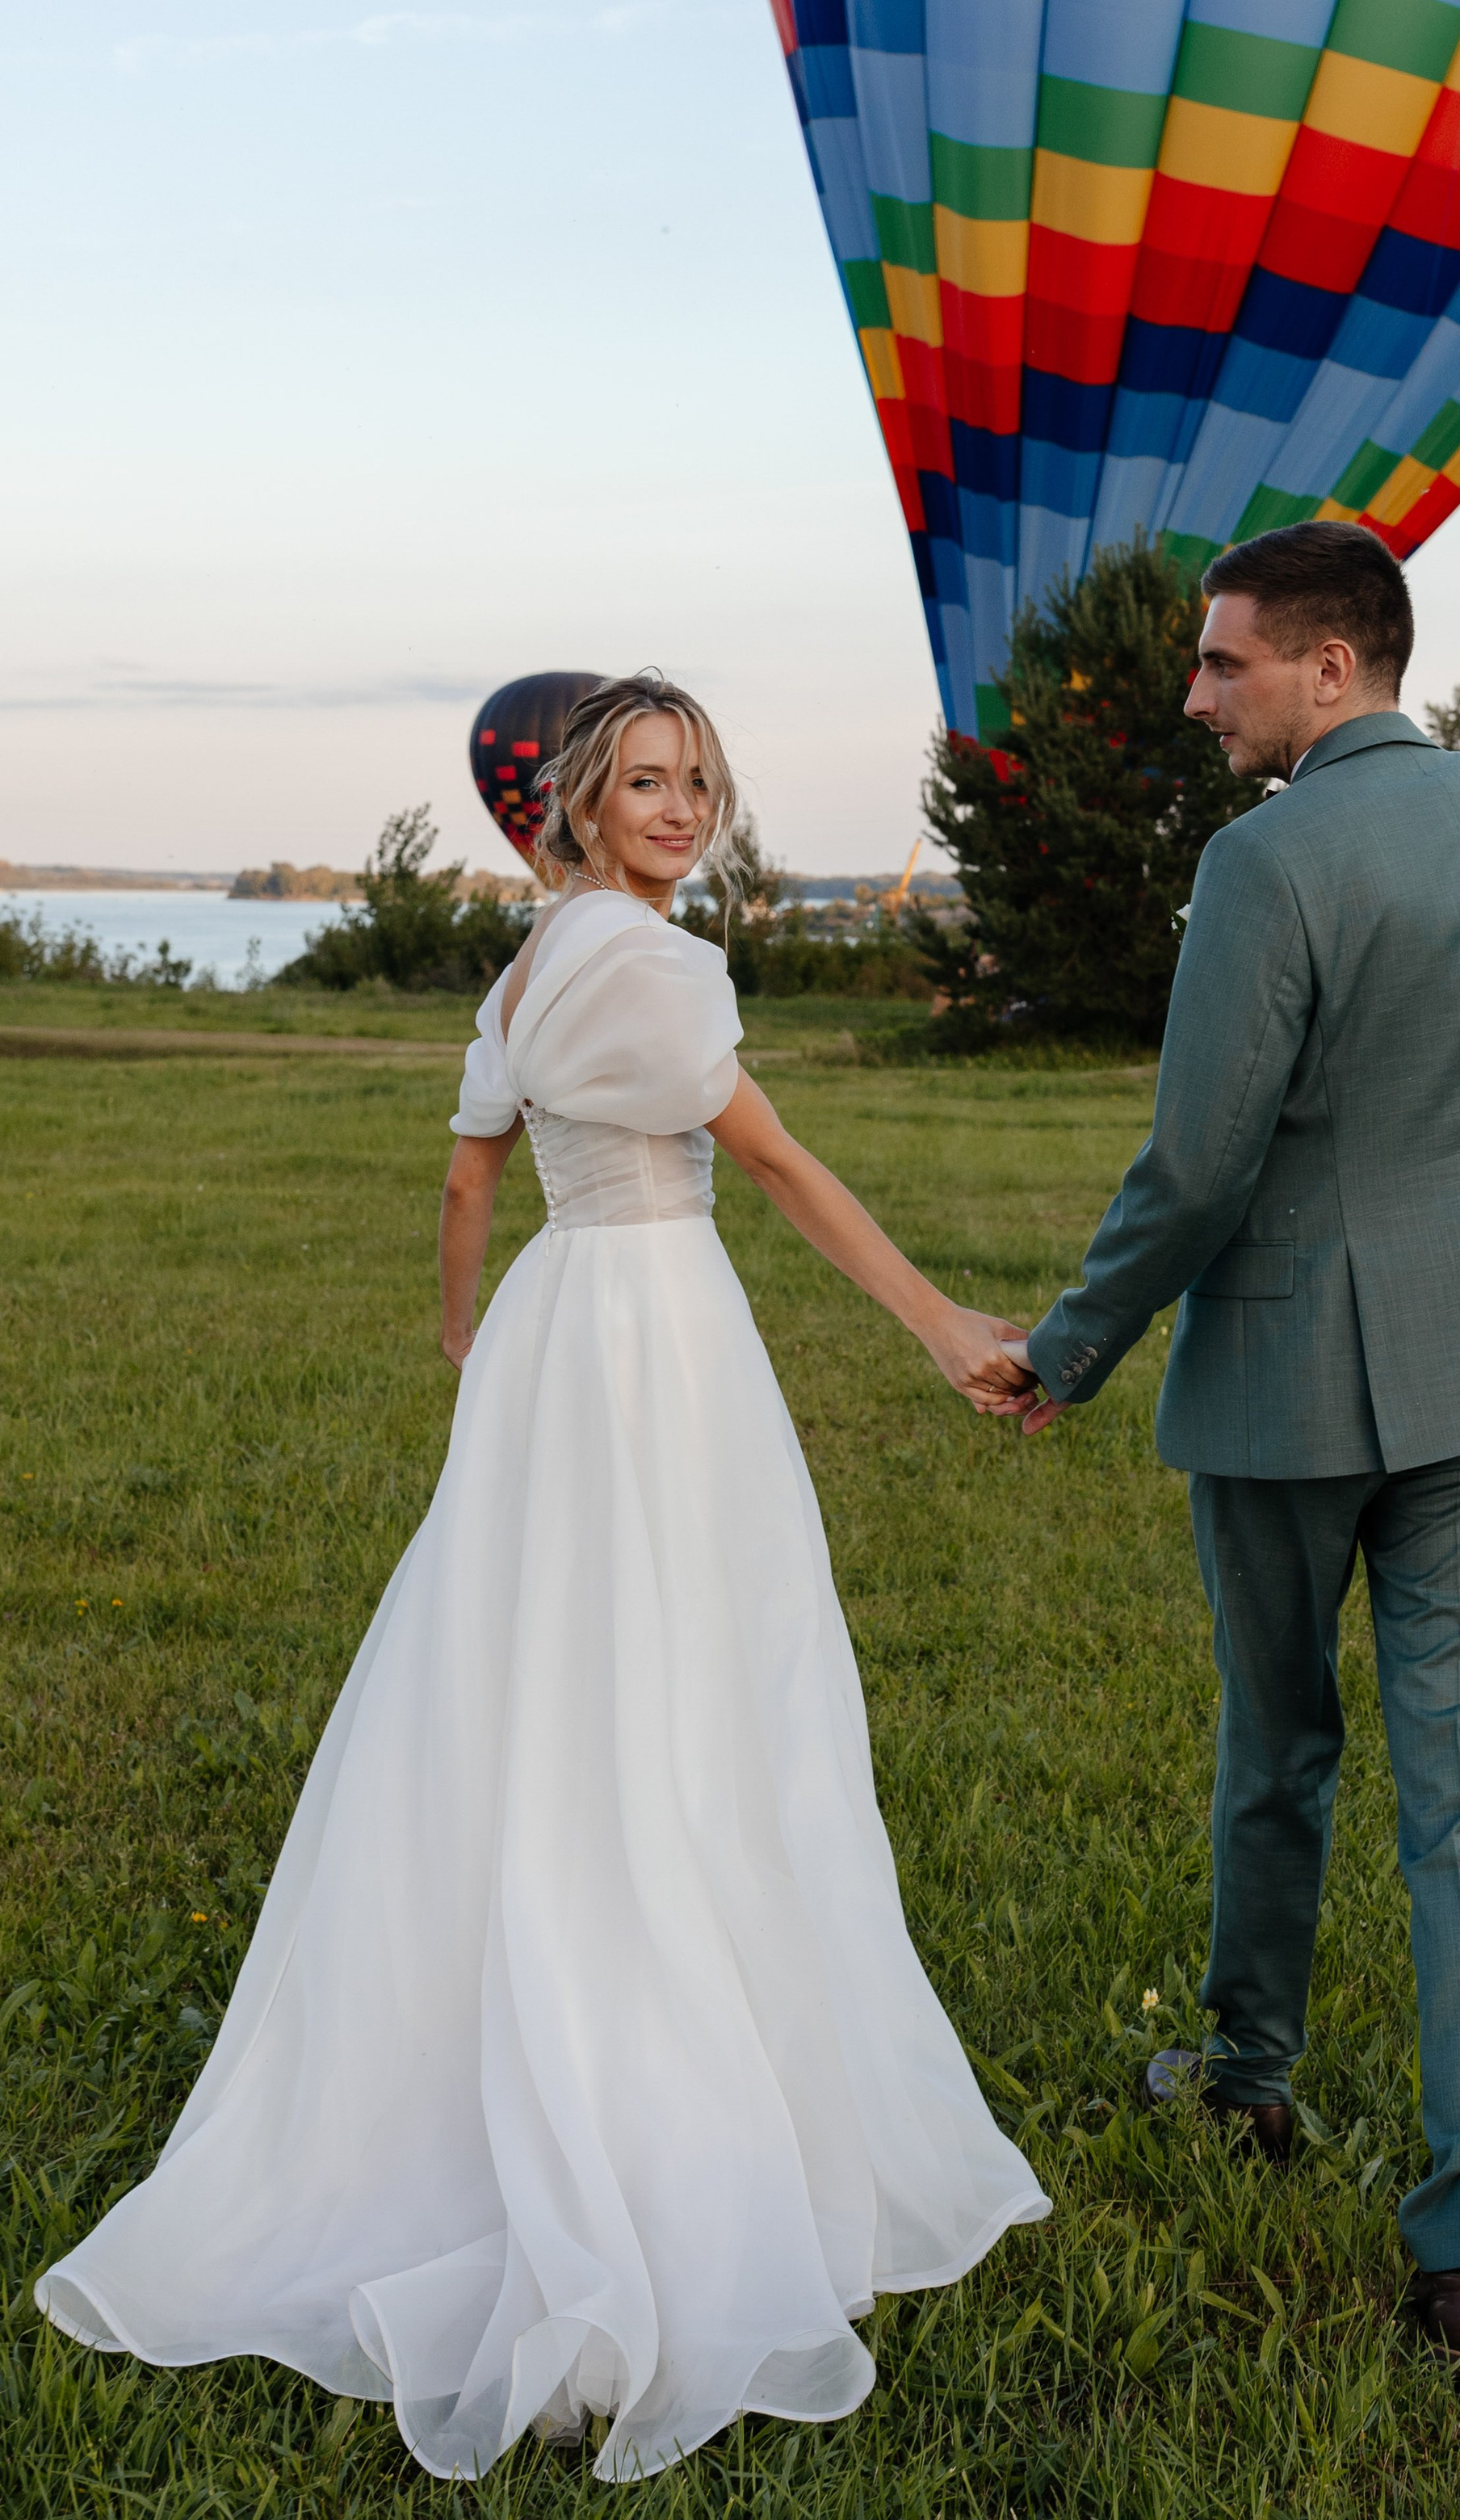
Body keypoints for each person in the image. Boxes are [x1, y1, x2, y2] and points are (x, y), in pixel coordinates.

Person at [38, 671, 1047, 2480]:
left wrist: (462, 1349)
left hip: (553, 1336)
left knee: (533, 1671)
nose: (679, 807)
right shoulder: (651, 969)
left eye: (698, 781)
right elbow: (783, 1168)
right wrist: (935, 1324)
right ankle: (651, 2087)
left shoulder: (521, 970)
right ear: (575, 803)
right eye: (644, 781)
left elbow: (465, 1185)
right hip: (655, 1334)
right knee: (674, 1676)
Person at [989, 523, 1460, 2367]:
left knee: (1276, 1737)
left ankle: (1245, 2080)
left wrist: (1066, 1346)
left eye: (1222, 665)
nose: (1195, 694)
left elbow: (1197, 1162)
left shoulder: (1265, 856)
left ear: (1329, 665)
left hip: (1292, 1387)